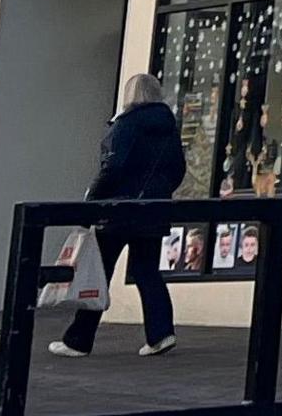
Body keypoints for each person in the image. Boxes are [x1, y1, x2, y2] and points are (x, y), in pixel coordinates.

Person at [54, 73, 186, 358]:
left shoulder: (126, 124)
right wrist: (159, 194)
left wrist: (93, 198)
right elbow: (178, 170)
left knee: (99, 272)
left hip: (118, 210)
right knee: (147, 271)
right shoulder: (170, 128)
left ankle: (78, 340)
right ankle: (161, 333)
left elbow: (112, 168)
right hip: (153, 210)